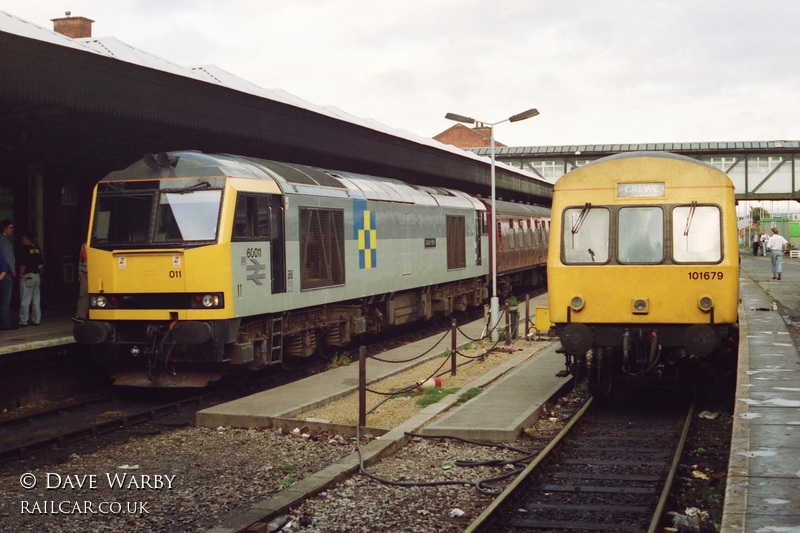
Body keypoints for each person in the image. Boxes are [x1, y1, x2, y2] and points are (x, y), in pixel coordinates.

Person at [17, 231, 44, 327]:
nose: (22, 240)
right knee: (36, 299)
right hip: (37, 276)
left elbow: (23, 265)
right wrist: (35, 269)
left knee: (25, 299)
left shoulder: (24, 250)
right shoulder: (37, 249)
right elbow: (40, 265)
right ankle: (36, 320)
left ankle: (23, 321)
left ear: (28, 239)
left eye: (23, 239)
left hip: (27, 276)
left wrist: (20, 276)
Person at [0, 220, 15, 330]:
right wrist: (13, 270)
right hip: (5, 272)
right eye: (10, 227)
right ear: (4, 228)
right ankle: (6, 324)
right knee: (5, 299)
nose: (12, 229)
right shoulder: (4, 240)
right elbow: (7, 257)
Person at [72, 242, 88, 323]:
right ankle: (81, 316)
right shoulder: (84, 246)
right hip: (85, 272)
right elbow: (81, 260)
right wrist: (80, 273)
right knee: (83, 294)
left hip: (97, 272)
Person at [0, 251, 11, 330]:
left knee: (4, 301)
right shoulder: (1, 255)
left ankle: (5, 324)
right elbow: (4, 270)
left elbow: (4, 271)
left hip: (4, 279)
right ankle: (5, 324)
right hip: (4, 278)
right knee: (4, 302)